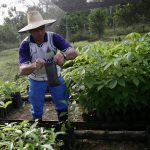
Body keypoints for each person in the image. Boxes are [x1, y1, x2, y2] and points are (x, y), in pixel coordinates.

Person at [18, 10, 78, 122]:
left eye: (42, 28)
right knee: (36, 106)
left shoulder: (53, 37)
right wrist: (34, 65)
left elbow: (73, 52)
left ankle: (63, 125)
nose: (40, 33)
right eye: (35, 30)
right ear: (30, 31)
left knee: (61, 103)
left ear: (45, 27)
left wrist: (63, 55)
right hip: (36, 78)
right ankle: (38, 125)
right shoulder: (25, 45)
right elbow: (22, 70)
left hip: (54, 74)